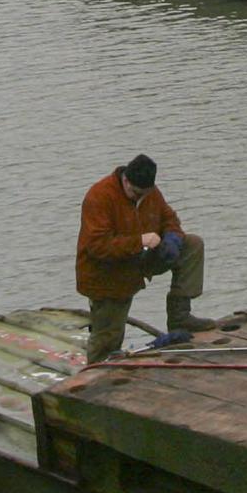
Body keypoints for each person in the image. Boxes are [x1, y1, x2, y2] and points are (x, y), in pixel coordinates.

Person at [76, 152, 211, 363]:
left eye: (144, 194)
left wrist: (172, 238)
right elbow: (97, 246)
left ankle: (180, 318)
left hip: (141, 260)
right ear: (125, 180)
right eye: (135, 193)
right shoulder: (99, 197)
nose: (139, 198)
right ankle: (95, 372)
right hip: (107, 274)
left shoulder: (150, 192)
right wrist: (139, 241)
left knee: (192, 245)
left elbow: (169, 218)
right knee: (107, 338)